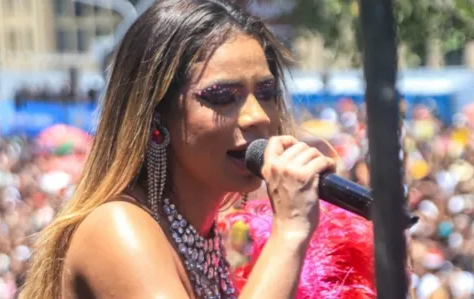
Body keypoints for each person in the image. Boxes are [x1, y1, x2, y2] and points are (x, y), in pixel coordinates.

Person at [19, 0, 337, 298]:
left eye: (266, 92)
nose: (257, 116)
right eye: (223, 95)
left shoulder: (207, 237)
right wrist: (291, 228)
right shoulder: (117, 227)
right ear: (157, 115)